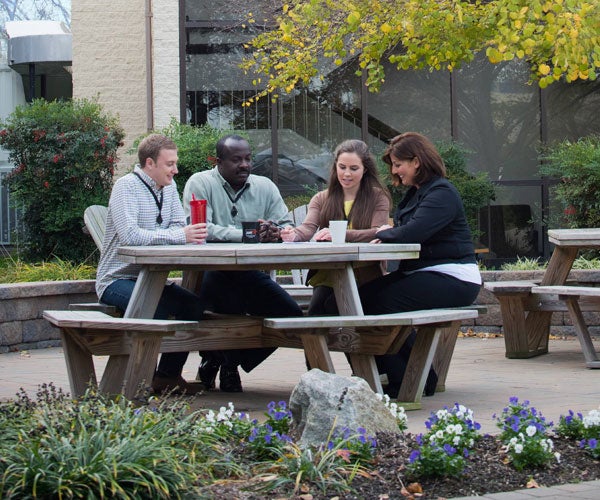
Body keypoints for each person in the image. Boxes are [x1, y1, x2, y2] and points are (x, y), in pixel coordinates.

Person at [358, 132, 482, 398]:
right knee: (357, 300)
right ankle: (413, 375)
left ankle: (409, 379)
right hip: (423, 273)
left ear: (416, 162)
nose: (394, 170)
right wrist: (387, 232)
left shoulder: (442, 192)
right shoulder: (416, 194)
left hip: (454, 278)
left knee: (379, 303)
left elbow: (412, 232)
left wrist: (382, 232)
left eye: (398, 164)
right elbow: (402, 230)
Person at [182, 134, 303, 392]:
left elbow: (286, 225)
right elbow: (202, 228)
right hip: (210, 272)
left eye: (248, 159)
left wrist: (276, 233)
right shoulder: (200, 183)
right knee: (229, 302)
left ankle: (223, 359)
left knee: (292, 316)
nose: (245, 165)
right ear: (218, 161)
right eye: (236, 160)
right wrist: (247, 235)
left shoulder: (265, 187)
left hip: (248, 273)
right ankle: (228, 367)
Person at [96, 134, 208, 396]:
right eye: (170, 164)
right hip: (116, 279)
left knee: (194, 306)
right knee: (154, 309)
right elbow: (131, 237)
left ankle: (166, 377)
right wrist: (177, 236)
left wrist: (177, 234)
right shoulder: (126, 187)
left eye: (175, 163)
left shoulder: (169, 187)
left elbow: (179, 225)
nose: (175, 170)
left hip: (153, 278)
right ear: (149, 163)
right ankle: (138, 383)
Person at [280, 139, 391, 314]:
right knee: (317, 310)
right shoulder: (322, 198)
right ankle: (317, 341)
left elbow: (378, 233)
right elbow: (308, 228)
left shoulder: (378, 197)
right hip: (329, 273)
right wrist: (292, 234)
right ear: (335, 167)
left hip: (365, 275)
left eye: (353, 168)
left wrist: (340, 235)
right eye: (342, 167)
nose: (346, 174)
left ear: (365, 169)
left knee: (336, 306)